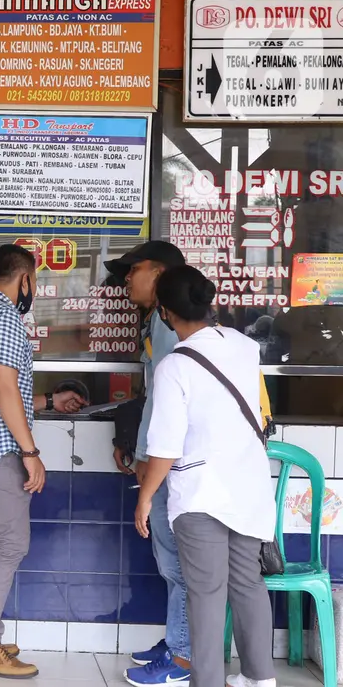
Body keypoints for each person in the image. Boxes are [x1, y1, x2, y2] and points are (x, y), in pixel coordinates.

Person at [136, 265, 276, 687]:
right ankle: (259, 678)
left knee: (206, 593)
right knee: (248, 583)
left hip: (200, 494)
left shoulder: (175, 366)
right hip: (248, 485)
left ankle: (208, 681)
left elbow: (164, 446)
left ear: (164, 312)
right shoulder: (244, 345)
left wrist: (145, 497)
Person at [0, 244, 85, 678]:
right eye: (34, 281)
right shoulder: (7, 318)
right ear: (24, 279)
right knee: (11, 545)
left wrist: (48, 399)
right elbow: (5, 389)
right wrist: (30, 452)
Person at [103, 241, 195, 685]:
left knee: (177, 564)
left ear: (159, 273)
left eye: (133, 269)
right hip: (168, 460)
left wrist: (144, 459)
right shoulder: (160, 321)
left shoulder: (166, 322)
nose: (126, 279)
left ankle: (182, 657)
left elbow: (164, 402)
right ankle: (178, 640)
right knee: (171, 562)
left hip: (169, 464)